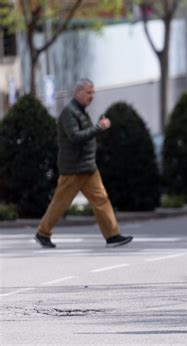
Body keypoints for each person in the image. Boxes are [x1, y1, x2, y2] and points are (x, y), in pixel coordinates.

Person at [34, 79, 133, 249]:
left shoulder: (80, 111)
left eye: (93, 92)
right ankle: (43, 233)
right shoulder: (69, 113)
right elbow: (75, 137)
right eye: (88, 92)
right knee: (61, 203)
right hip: (73, 169)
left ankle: (112, 235)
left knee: (101, 199)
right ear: (77, 93)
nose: (92, 96)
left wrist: (96, 129)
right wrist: (99, 128)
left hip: (88, 167)